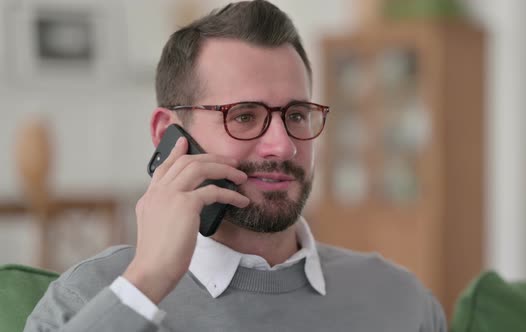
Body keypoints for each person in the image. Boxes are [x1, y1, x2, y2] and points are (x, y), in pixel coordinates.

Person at [24, 1, 446, 331]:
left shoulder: (401, 300)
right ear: (166, 134)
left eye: (297, 115)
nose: (281, 145)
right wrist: (147, 282)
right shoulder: (88, 300)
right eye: (244, 116)